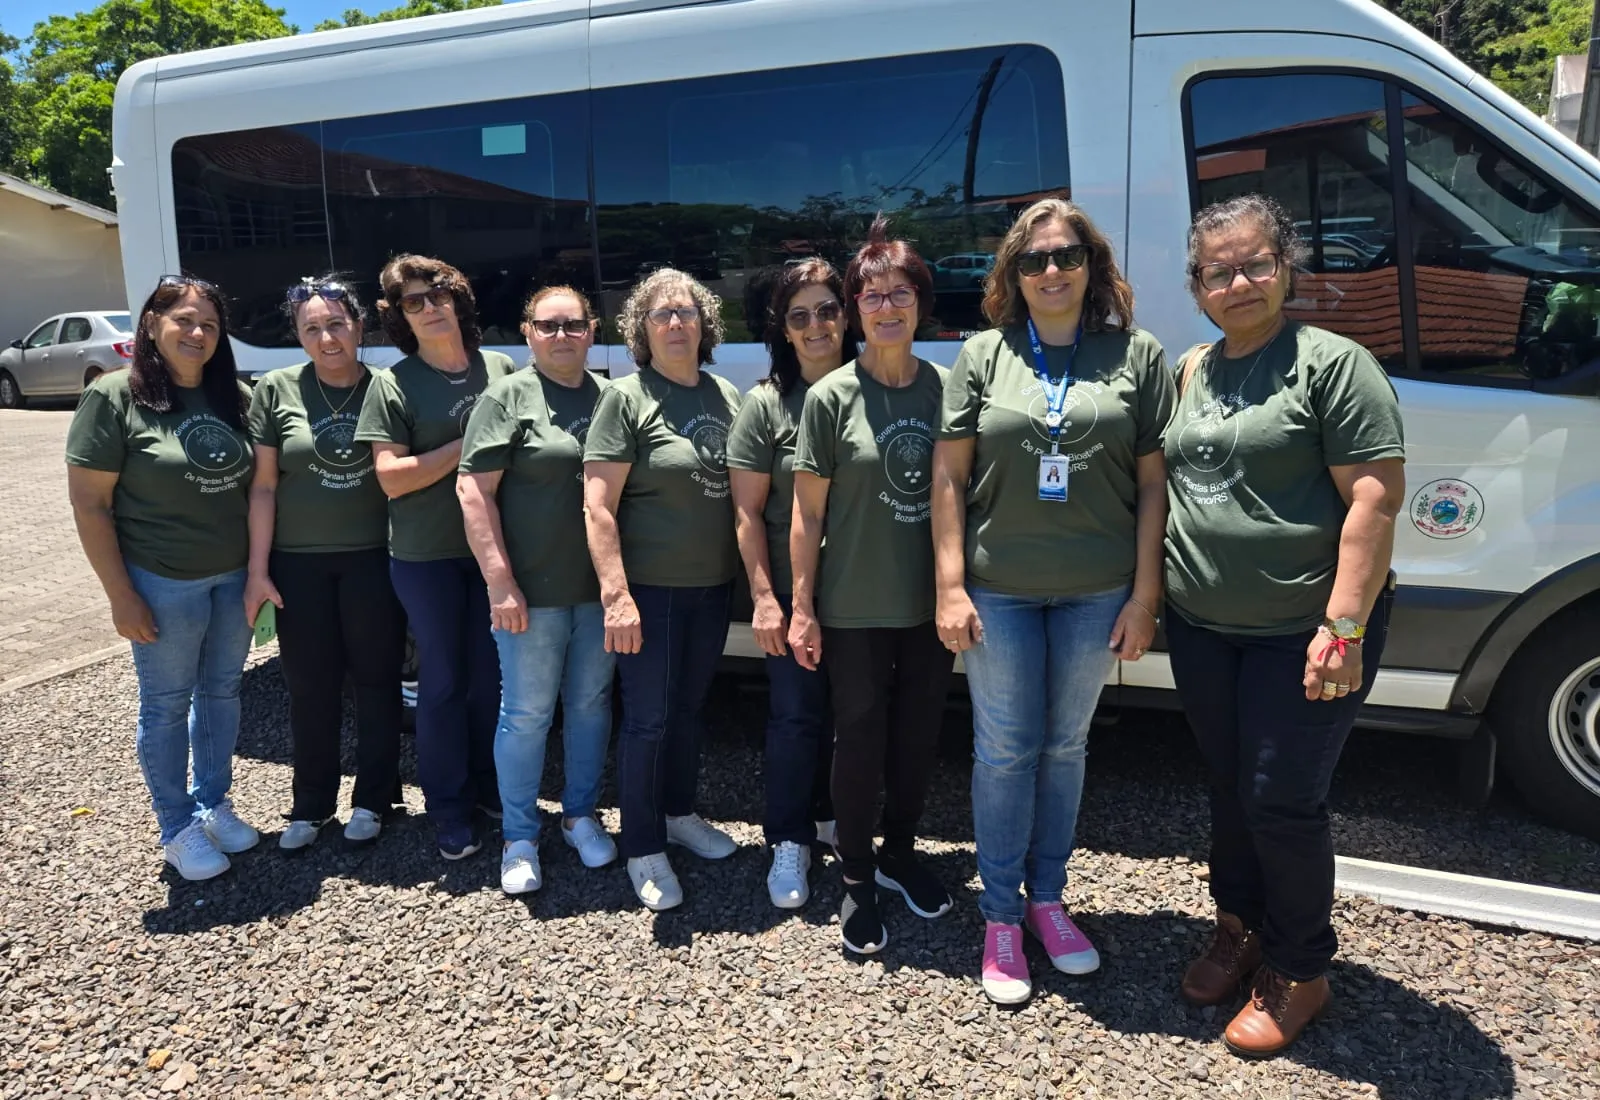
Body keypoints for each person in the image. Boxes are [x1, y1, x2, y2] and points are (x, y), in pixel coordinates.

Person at [1166, 195, 1405, 1056]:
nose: (1239, 284)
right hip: (1203, 625)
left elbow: (1374, 499)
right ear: (1197, 286)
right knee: (1229, 786)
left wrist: (1344, 627)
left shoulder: (1333, 366)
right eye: (1219, 271)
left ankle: (1301, 969)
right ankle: (1239, 927)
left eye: (1255, 265)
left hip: (1301, 629)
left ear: (1286, 267)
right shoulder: (1192, 369)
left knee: (1282, 800)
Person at [932, 198, 1174, 1003]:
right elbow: (948, 478)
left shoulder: (1136, 355)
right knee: (1005, 750)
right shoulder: (982, 355)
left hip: (1096, 591)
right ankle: (1001, 917)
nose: (1051, 270)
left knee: (1065, 748)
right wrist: (949, 585)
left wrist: (1145, 596)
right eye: (1034, 259)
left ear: (1091, 265)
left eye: (1067, 254)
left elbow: (1154, 487)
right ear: (1013, 272)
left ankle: (1048, 901)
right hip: (998, 590)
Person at [789, 216, 953, 955]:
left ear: (921, 303)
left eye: (900, 293)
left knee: (918, 736)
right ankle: (856, 872)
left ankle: (900, 854)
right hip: (853, 603)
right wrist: (801, 607)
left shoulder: (946, 391)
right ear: (855, 309)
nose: (887, 307)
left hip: (929, 603)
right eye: (872, 295)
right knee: (857, 737)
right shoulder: (830, 398)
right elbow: (806, 514)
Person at [65, 275, 259, 880]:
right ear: (151, 324)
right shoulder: (114, 396)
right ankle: (176, 827)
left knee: (222, 693)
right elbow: (90, 505)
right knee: (167, 705)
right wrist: (120, 595)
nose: (197, 332)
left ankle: (213, 803)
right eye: (183, 319)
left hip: (233, 577)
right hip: (162, 580)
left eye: (209, 324)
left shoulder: (234, 397)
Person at [583, 268, 743, 911]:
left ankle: (678, 815)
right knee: (648, 719)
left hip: (712, 586)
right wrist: (616, 595)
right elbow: (598, 505)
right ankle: (643, 845)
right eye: (661, 314)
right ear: (642, 330)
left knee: (689, 709)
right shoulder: (626, 398)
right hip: (650, 591)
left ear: (705, 325)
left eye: (687, 312)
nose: (676, 323)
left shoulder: (725, 393)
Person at [457, 286, 618, 896]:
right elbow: (474, 493)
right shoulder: (506, 397)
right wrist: (500, 583)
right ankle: (520, 836)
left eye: (573, 324)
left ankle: (579, 816)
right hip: (531, 594)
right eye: (547, 326)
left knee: (590, 706)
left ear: (592, 330)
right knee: (526, 715)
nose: (561, 336)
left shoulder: (610, 397)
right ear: (527, 332)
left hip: (598, 592)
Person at [354, 255, 515, 861]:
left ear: (458, 298)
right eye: (413, 302)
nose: (429, 307)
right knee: (443, 681)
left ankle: (490, 788)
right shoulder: (393, 384)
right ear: (399, 316)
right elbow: (391, 477)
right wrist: (466, 444)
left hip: (493, 551)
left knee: (492, 678)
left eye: (438, 294)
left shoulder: (499, 368)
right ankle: (448, 807)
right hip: (428, 556)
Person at [243, 277, 404, 851]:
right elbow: (263, 487)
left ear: (359, 326)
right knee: (310, 687)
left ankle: (374, 799)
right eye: (312, 328)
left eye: (337, 324)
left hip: (374, 559)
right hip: (298, 564)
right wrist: (258, 571)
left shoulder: (387, 387)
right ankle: (310, 806)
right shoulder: (275, 388)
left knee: (377, 682)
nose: (327, 337)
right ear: (298, 335)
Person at [727, 259, 858, 910]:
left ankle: (831, 817)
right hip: (788, 590)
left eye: (827, 310)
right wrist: (764, 599)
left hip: (863, 590)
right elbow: (747, 512)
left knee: (850, 716)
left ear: (847, 316)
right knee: (795, 716)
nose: (816, 326)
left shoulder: (874, 391)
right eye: (799, 315)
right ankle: (787, 836)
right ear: (782, 328)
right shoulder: (765, 404)